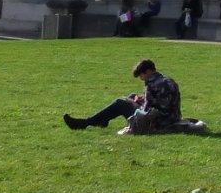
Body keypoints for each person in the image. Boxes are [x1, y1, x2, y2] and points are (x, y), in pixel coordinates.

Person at [63, 58, 205, 135]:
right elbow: (160, 101)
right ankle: (101, 120)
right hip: (172, 116)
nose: (142, 79)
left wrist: (133, 103)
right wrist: (138, 99)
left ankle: (86, 122)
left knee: (121, 102)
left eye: (142, 76)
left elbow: (146, 111)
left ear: (148, 71)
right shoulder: (168, 80)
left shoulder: (151, 85)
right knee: (131, 96)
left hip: (158, 121)